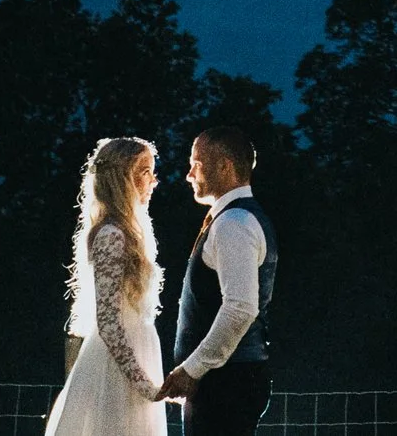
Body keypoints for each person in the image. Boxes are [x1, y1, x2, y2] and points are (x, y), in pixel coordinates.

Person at [156, 126, 276, 436]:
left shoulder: (234, 223)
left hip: (225, 384)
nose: (189, 174)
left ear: (224, 165)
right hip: (227, 382)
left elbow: (240, 308)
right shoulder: (236, 218)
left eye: (196, 162)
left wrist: (193, 369)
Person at [42, 137, 166, 436]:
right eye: (146, 171)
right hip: (114, 368)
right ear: (124, 177)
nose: (154, 181)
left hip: (138, 353)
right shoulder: (111, 235)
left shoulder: (131, 233)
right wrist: (144, 385)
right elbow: (108, 321)